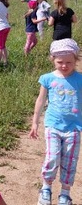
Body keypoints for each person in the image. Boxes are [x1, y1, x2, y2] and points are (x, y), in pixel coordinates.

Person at [29, 39, 82, 205]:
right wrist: (35, 122)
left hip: (74, 127)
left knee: (70, 161)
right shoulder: (47, 78)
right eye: (60, 62)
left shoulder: (80, 79)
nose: (65, 66)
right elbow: (40, 100)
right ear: (53, 59)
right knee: (52, 158)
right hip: (52, 125)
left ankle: (65, 194)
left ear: (76, 60)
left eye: (69, 62)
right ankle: (46, 188)